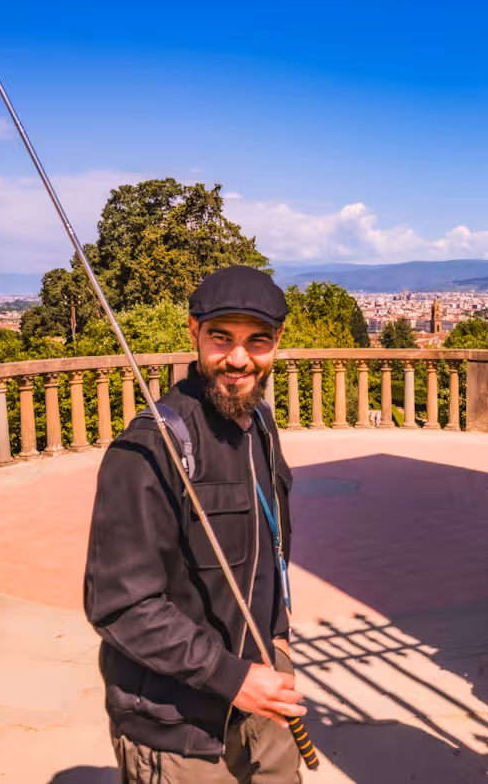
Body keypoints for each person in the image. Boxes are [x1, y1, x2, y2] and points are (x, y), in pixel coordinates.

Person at [84, 265, 306, 783]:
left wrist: (277, 637)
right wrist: (230, 676)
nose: (238, 358)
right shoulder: (148, 448)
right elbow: (120, 606)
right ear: (193, 332)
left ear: (277, 343)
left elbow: (272, 544)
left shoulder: (261, 426)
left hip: (260, 692)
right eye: (221, 338)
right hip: (176, 722)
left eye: (258, 341)